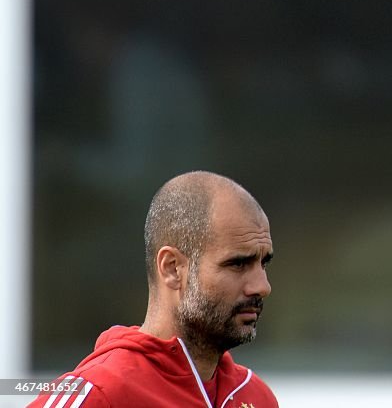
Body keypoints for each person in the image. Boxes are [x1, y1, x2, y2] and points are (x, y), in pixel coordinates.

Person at [29, 171, 278, 407]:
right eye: (237, 263)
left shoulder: (256, 396)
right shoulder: (99, 393)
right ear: (172, 268)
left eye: (263, 263)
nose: (262, 286)